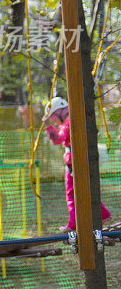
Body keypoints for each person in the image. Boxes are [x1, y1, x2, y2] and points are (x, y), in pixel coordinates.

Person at [44, 96, 111, 231]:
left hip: (74, 163)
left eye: (53, 117)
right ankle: (103, 215)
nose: (53, 121)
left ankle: (75, 224)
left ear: (61, 112)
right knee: (86, 189)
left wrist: (48, 126)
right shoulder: (72, 121)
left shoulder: (67, 124)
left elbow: (57, 139)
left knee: (72, 194)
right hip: (75, 162)